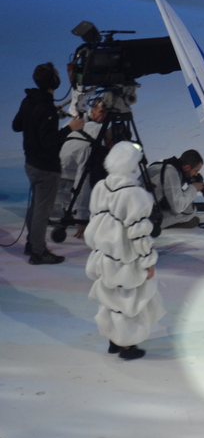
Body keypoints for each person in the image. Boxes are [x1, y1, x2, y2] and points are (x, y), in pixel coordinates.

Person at [85, 142, 165, 360]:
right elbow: (139, 233)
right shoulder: (134, 194)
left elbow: (95, 219)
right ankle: (128, 346)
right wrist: (147, 261)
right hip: (127, 259)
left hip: (105, 256)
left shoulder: (101, 186)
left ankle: (114, 340)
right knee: (130, 302)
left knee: (111, 299)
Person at [12, 62, 84, 264]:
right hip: (46, 168)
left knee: (36, 208)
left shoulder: (30, 101)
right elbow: (49, 141)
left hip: (31, 164)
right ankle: (38, 252)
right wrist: (71, 128)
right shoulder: (46, 108)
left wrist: (50, 116)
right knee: (41, 212)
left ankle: (32, 244)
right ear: (53, 81)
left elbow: (17, 125)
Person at [54, 100, 109, 237]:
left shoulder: (73, 123)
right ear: (92, 111)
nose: (104, 115)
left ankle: (73, 211)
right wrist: (82, 218)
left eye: (107, 113)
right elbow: (83, 179)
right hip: (69, 176)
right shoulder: (96, 134)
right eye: (102, 111)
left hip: (55, 173)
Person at [147, 149, 204, 229]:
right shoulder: (171, 173)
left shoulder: (163, 164)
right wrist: (193, 188)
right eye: (195, 171)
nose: (196, 174)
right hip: (145, 220)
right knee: (190, 211)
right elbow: (178, 207)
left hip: (140, 208)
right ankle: (173, 224)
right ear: (187, 167)